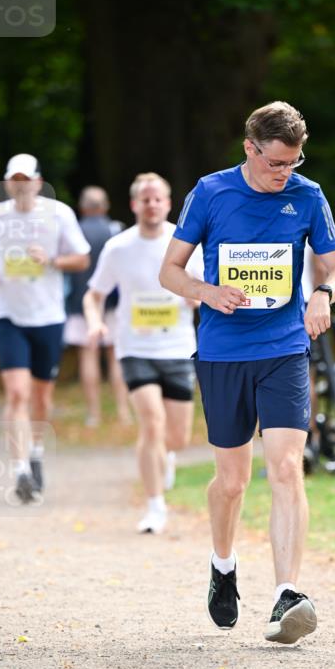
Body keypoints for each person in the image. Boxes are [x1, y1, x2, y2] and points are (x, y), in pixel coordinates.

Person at [160, 101, 335, 645]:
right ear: (250, 148)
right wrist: (208, 292)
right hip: (223, 351)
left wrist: (321, 293)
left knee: (287, 467)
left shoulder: (307, 196)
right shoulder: (211, 192)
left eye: (293, 163)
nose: (284, 173)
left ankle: (287, 594)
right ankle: (222, 565)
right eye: (275, 163)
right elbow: (170, 271)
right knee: (232, 481)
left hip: (285, 347)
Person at [0, 154, 90, 502]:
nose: (20, 184)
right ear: (8, 182)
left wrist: (51, 260)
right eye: (14, 179)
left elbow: (82, 258)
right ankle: (19, 469)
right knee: (17, 393)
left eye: (26, 178)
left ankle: (35, 450)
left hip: (48, 316)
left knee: (41, 396)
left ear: (38, 181)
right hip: (7, 313)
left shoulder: (58, 214)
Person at [84, 172, 203, 534]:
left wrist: (194, 296)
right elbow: (94, 294)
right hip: (134, 347)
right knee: (151, 422)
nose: (151, 205)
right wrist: (94, 322)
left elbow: (202, 290)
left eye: (158, 199)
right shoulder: (118, 247)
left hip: (179, 347)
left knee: (177, 437)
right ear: (134, 204)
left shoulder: (183, 243)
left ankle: (167, 456)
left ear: (168, 204)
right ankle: (155, 507)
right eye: (145, 199)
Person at [64, 186, 131, 427]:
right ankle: (124, 412)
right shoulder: (117, 230)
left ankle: (93, 414)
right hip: (114, 302)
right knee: (115, 356)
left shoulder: (75, 231)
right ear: (105, 206)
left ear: (82, 207)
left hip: (82, 301)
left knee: (88, 354)